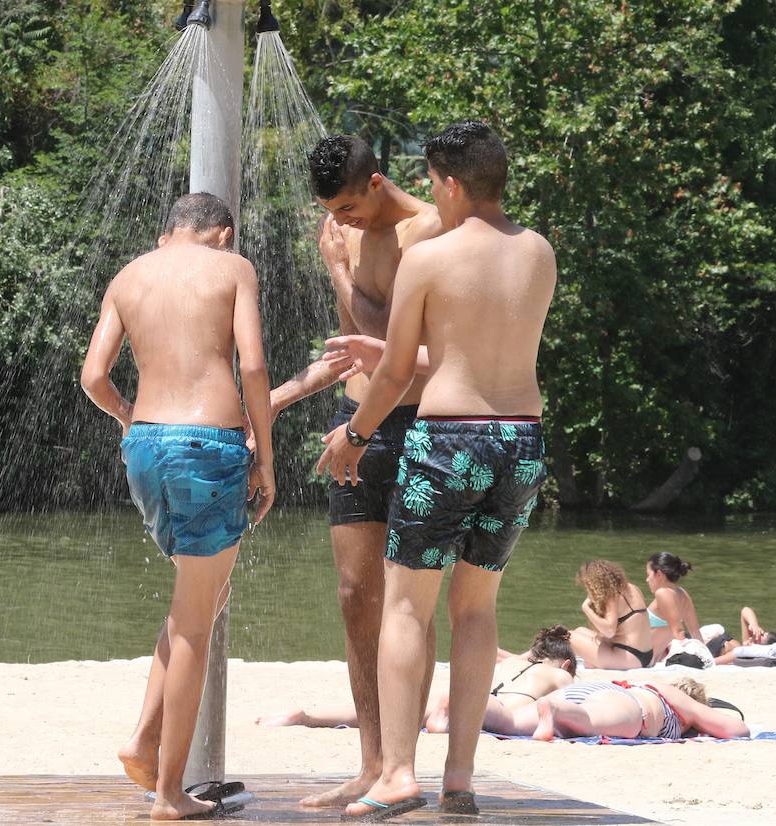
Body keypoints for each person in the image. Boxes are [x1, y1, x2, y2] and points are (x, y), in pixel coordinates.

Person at [318, 120, 556, 820]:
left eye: (433, 184)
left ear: (451, 183)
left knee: (404, 606)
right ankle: (459, 779)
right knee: (476, 609)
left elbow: (394, 371)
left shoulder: (434, 257)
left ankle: (395, 773)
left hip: (449, 439)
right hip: (521, 439)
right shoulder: (539, 252)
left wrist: (355, 436)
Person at [80, 192, 275, 822]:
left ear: (170, 232)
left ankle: (142, 740)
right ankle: (168, 795)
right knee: (196, 622)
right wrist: (265, 454)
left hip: (145, 445)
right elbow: (253, 364)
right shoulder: (233, 268)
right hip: (210, 445)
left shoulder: (129, 276)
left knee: (197, 600)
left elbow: (94, 377)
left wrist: (129, 418)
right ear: (222, 233)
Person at [272, 134, 444, 809]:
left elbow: (397, 341)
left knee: (409, 605)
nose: (338, 221)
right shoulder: (348, 231)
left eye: (347, 205)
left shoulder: (430, 230)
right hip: (353, 428)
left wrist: (339, 275)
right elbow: (352, 351)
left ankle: (401, 765)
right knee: (354, 597)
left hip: (417, 426)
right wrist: (276, 400)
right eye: (330, 211)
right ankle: (370, 762)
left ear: (376, 183)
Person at [255, 625, 575, 733]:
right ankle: (445, 714)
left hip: (462, 694)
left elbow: (501, 653)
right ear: (565, 663)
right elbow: (564, 705)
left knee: (381, 714)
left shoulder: (512, 665)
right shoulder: (559, 676)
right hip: (493, 707)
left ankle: (306, 717)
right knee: (495, 715)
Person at [485, 677, 750, 742]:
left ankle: (456, 707)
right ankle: (554, 708)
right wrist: (697, 719)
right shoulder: (679, 700)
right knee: (589, 721)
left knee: (510, 723)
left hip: (596, 690)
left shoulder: (646, 684)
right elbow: (737, 729)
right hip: (630, 708)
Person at [569, 560, 654, 669]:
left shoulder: (612, 596)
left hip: (631, 658)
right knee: (580, 631)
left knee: (568, 637)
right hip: (646, 655)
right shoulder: (631, 588)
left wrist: (586, 608)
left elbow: (609, 631)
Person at [645, 551, 703, 662]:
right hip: (653, 660)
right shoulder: (682, 593)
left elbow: (678, 632)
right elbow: (695, 632)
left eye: (648, 575)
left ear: (659, 574)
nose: (647, 580)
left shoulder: (662, 593)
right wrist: (704, 656)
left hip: (644, 660)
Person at [707, 606, 776, 664]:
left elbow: (711, 662)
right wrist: (754, 624)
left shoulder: (744, 652)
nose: (756, 635)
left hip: (702, 645)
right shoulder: (746, 645)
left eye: (761, 636)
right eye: (761, 633)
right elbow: (745, 610)